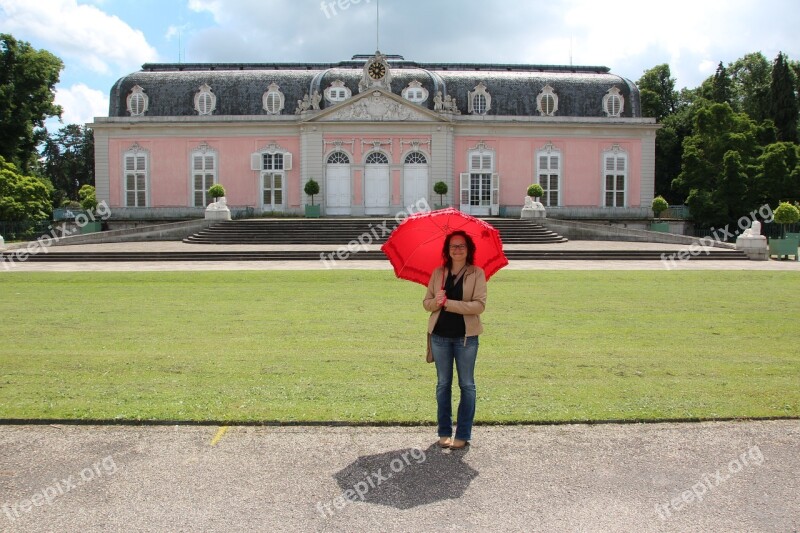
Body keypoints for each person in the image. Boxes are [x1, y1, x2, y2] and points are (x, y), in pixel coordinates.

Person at [423, 230, 487, 450]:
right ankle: (444, 431)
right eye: (453, 246)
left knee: (467, 385)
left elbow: (479, 306)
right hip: (440, 337)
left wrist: (449, 304)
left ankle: (463, 432)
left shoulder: (477, 273)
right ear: (447, 250)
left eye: (461, 246)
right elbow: (426, 303)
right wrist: (436, 302)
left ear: (468, 249)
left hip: (466, 338)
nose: (457, 249)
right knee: (443, 385)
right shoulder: (438, 273)